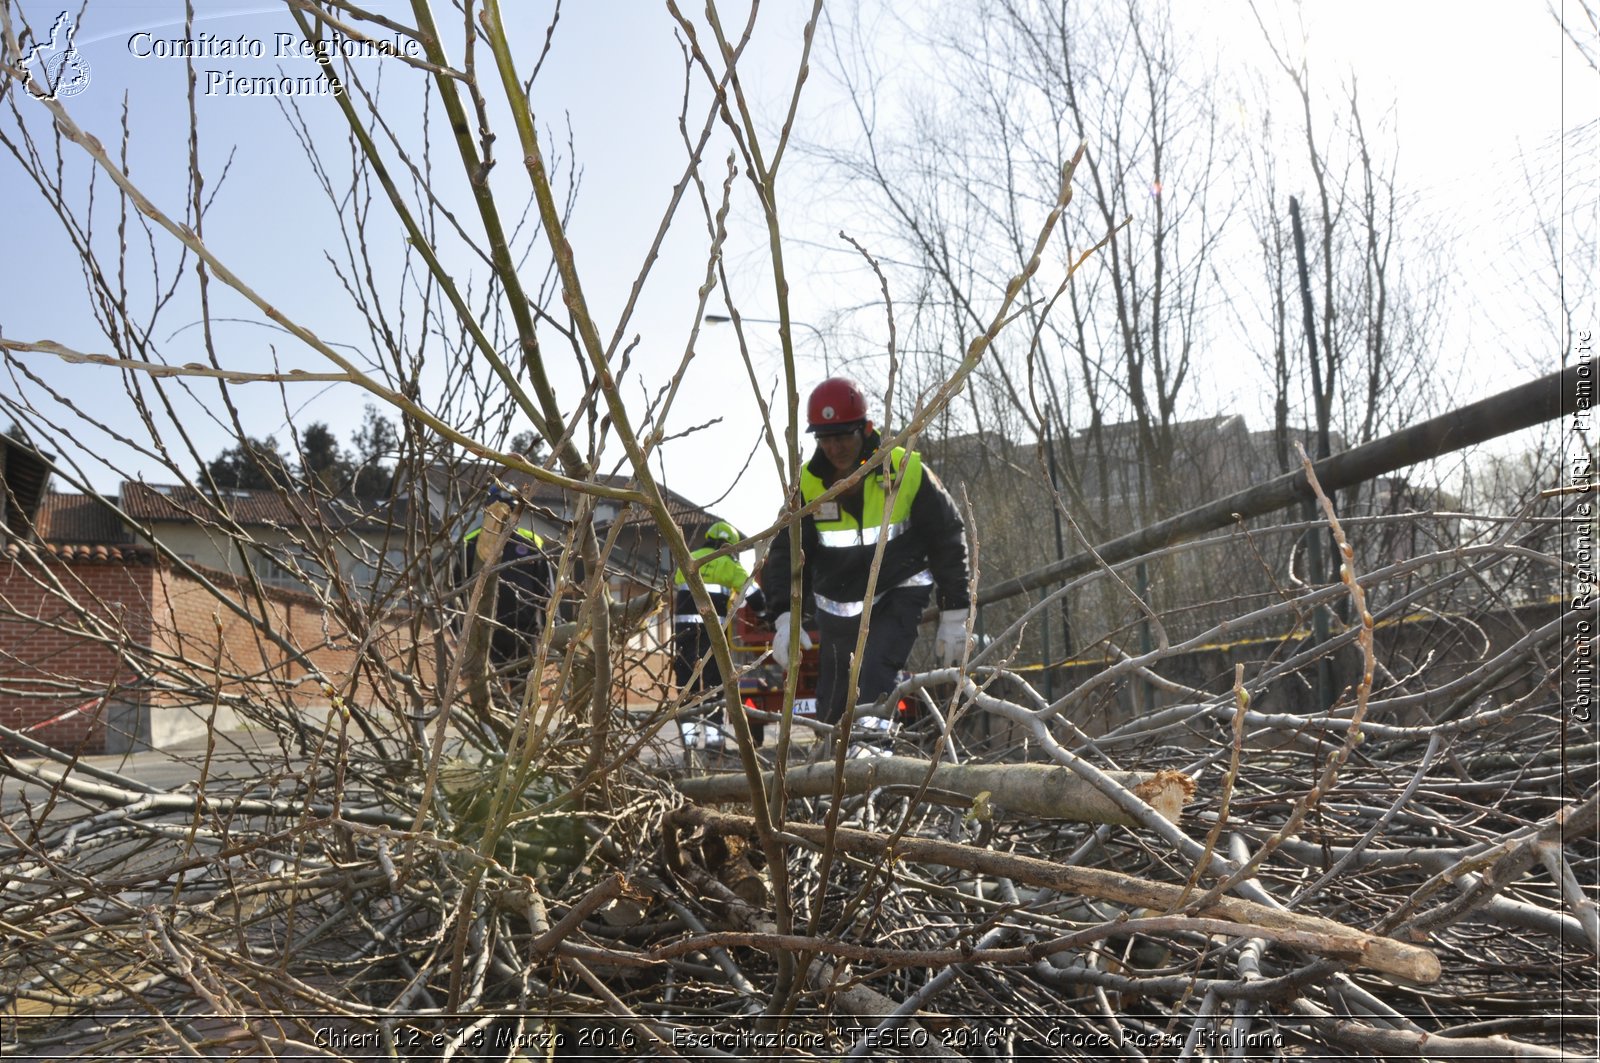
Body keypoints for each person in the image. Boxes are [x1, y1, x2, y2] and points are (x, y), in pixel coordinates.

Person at [760, 377, 972, 733]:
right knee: (832, 701)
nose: (835, 447)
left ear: (866, 429)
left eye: (843, 435)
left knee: (872, 677)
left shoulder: (906, 470)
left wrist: (955, 612)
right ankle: (831, 772)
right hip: (835, 609)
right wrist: (783, 617)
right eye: (826, 438)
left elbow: (947, 536)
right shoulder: (808, 487)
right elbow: (784, 554)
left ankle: (870, 760)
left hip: (897, 593)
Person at [673, 520, 764, 750]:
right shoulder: (730, 565)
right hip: (712, 634)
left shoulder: (688, 558)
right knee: (714, 683)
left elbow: (676, 583)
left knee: (686, 684)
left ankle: (689, 742)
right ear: (729, 546)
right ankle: (715, 742)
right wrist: (764, 615)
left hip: (683, 632)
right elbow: (753, 595)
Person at [461, 484, 555, 669]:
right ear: (487, 510)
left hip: (524, 631)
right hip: (484, 632)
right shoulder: (471, 544)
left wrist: (550, 630)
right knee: (489, 692)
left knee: (523, 692)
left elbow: (547, 591)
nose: (505, 515)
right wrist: (460, 632)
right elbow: (458, 589)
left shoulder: (532, 544)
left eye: (511, 509)